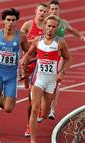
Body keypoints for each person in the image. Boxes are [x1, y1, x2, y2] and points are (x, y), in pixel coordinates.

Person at [21, 15, 72, 143]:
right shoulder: (37, 41)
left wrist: (62, 73)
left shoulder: (60, 42)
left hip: (51, 81)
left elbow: (68, 58)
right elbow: (29, 55)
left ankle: (43, 110)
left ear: (56, 29)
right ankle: (33, 140)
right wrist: (24, 63)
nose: (50, 29)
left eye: (53, 27)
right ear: (44, 26)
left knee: (44, 114)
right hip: (38, 79)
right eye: (48, 26)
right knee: (34, 107)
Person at [0, 8, 29, 143]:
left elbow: (29, 52)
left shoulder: (21, 36)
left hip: (11, 75)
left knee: (9, 108)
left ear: (16, 21)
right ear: (4, 20)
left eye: (13, 20)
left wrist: (23, 62)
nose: (10, 23)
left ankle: (1, 98)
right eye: (8, 20)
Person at [48, 0, 85, 120]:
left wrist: (81, 36)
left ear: (59, 10)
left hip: (59, 56)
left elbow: (72, 30)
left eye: (56, 9)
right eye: (52, 9)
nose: (54, 11)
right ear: (49, 10)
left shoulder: (63, 23)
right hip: (46, 56)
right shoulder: (46, 22)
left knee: (56, 83)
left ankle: (52, 109)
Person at [20, 3, 48, 137]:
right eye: (40, 10)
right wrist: (23, 61)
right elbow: (19, 40)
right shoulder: (28, 25)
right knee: (31, 100)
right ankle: (29, 125)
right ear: (35, 11)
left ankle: (43, 110)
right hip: (30, 65)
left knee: (38, 96)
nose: (42, 13)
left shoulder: (48, 28)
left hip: (42, 66)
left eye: (44, 11)